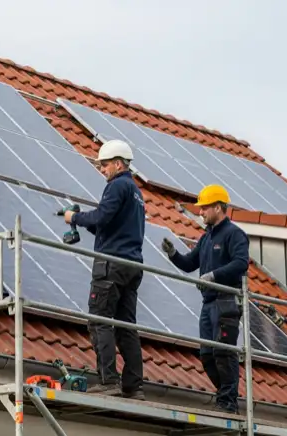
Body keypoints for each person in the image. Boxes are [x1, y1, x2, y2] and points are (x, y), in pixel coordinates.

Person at [62, 139, 146, 400]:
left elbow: (101, 217)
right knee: (125, 326)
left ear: (119, 164)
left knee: (100, 320)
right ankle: (134, 386)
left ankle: (108, 380)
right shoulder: (135, 192)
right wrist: (87, 221)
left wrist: (74, 218)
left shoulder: (117, 186)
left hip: (111, 264)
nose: (102, 169)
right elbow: (106, 225)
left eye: (105, 164)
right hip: (132, 265)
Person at [160, 184, 249, 413]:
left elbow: (241, 263)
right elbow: (190, 263)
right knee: (207, 355)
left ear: (218, 207)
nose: (200, 212)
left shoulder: (234, 234)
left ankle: (228, 402)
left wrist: (214, 275)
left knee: (223, 352)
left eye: (204, 208)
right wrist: (173, 254)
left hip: (226, 301)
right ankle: (224, 396)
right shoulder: (206, 238)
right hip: (208, 303)